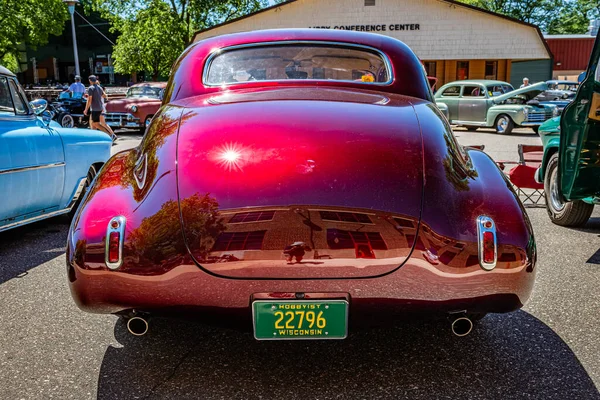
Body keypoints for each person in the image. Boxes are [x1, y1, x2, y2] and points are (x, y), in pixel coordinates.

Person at [83, 75, 115, 141]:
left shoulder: (90, 88)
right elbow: (104, 95)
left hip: (95, 108)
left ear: (90, 80)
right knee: (93, 123)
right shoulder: (99, 88)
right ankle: (95, 137)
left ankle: (110, 135)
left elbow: (89, 100)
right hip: (100, 108)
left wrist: (86, 109)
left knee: (96, 124)